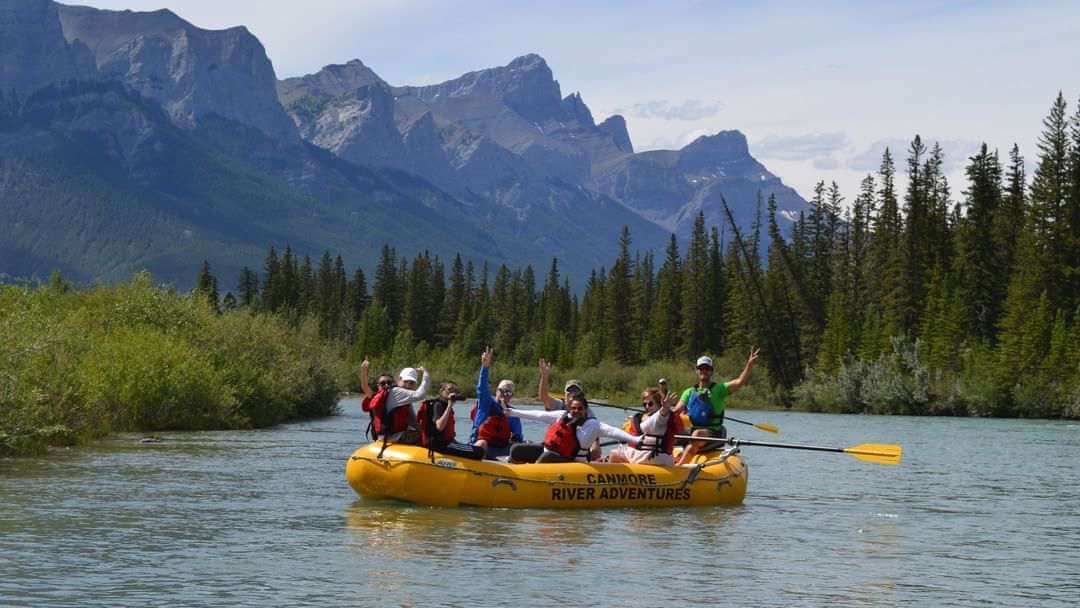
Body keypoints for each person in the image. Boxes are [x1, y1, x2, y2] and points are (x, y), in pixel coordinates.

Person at [674, 348, 760, 465]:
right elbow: (677, 410)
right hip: (694, 430)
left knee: (697, 435)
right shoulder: (688, 392)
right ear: (697, 371)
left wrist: (749, 364)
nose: (704, 371)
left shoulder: (720, 389)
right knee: (672, 433)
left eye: (707, 368)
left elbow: (740, 381)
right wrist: (663, 411)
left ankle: (679, 467)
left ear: (711, 371)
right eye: (701, 368)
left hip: (714, 432)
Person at [506, 395, 636, 463]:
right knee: (516, 449)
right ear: (569, 409)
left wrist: (635, 439)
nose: (576, 411)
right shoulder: (561, 416)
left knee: (547, 456)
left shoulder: (593, 425)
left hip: (572, 460)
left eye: (580, 408)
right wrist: (512, 412)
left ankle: (531, 476)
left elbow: (613, 431)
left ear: (585, 410)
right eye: (573, 408)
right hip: (550, 451)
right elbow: (538, 415)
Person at [537, 359, 601, 460]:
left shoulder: (587, 412)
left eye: (576, 390)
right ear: (565, 394)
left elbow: (594, 437)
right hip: (554, 447)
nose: (572, 393)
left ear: (581, 395)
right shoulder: (558, 405)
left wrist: (594, 448)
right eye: (569, 390)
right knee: (518, 450)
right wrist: (544, 376)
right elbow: (543, 397)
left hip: (573, 453)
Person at [359, 358, 430, 446]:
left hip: (389, 435)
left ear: (393, 383)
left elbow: (413, 422)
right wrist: (363, 371)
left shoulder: (397, 395)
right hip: (388, 437)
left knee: (420, 430)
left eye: (389, 383)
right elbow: (365, 387)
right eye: (383, 383)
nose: (386, 385)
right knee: (420, 434)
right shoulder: (392, 393)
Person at [470, 347, 524, 460]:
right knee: (482, 443)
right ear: (496, 391)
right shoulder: (487, 402)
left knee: (521, 447)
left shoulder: (513, 414)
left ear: (511, 396)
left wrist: (516, 439)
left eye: (508, 392)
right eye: (502, 391)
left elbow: (518, 436)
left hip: (501, 448)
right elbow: (482, 388)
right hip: (483, 445)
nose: (504, 394)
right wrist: (485, 367)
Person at [608, 388, 683, 466]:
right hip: (650, 455)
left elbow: (661, 416)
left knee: (614, 454)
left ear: (659, 404)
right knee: (617, 453)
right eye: (644, 404)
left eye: (650, 404)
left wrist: (665, 408)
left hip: (653, 456)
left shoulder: (662, 417)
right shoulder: (642, 417)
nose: (647, 406)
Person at [416, 381, 485, 460]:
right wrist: (449, 406)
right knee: (479, 451)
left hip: (447, 443)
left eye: (455, 391)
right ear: (441, 391)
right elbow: (439, 427)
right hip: (440, 445)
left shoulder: (445, 405)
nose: (453, 393)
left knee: (479, 447)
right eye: (450, 390)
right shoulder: (438, 405)